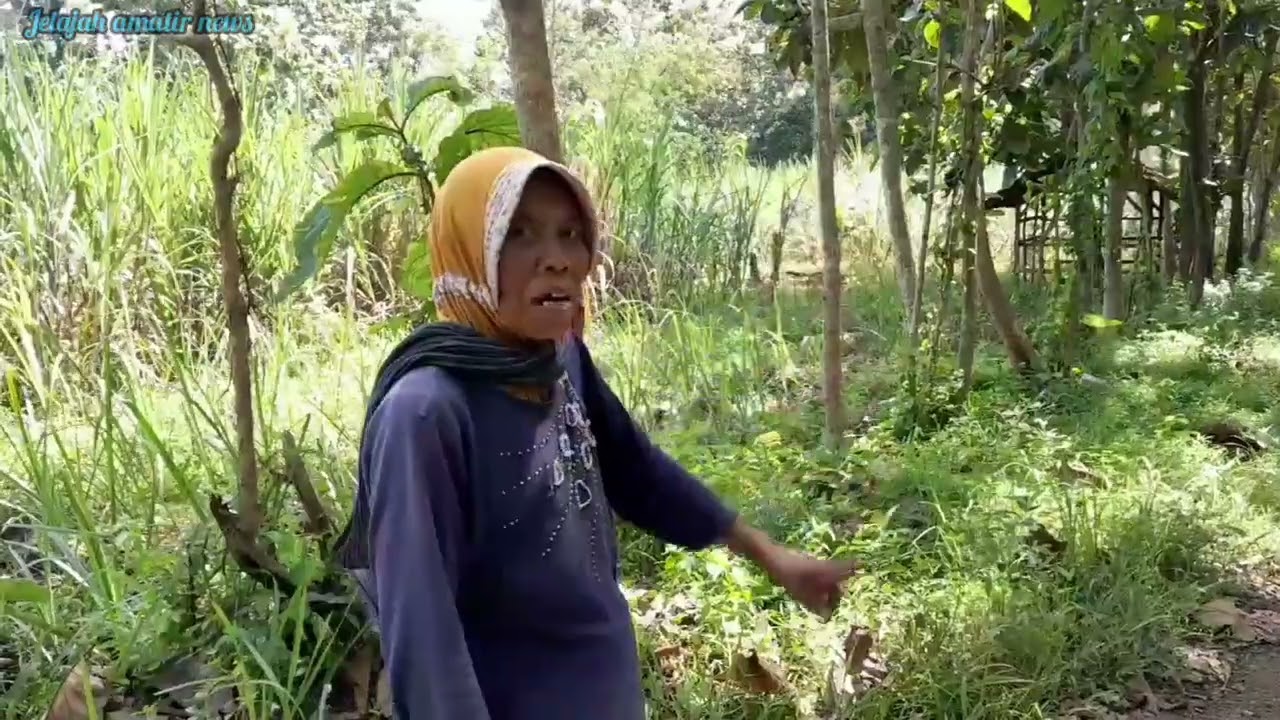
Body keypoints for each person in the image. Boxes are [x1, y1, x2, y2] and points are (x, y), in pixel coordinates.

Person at [333, 146, 856, 720]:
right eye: (519, 234)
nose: (556, 259)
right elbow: (425, 641)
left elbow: (636, 470)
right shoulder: (426, 414)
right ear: (467, 252)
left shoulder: (558, 359)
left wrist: (770, 555)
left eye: (570, 234)